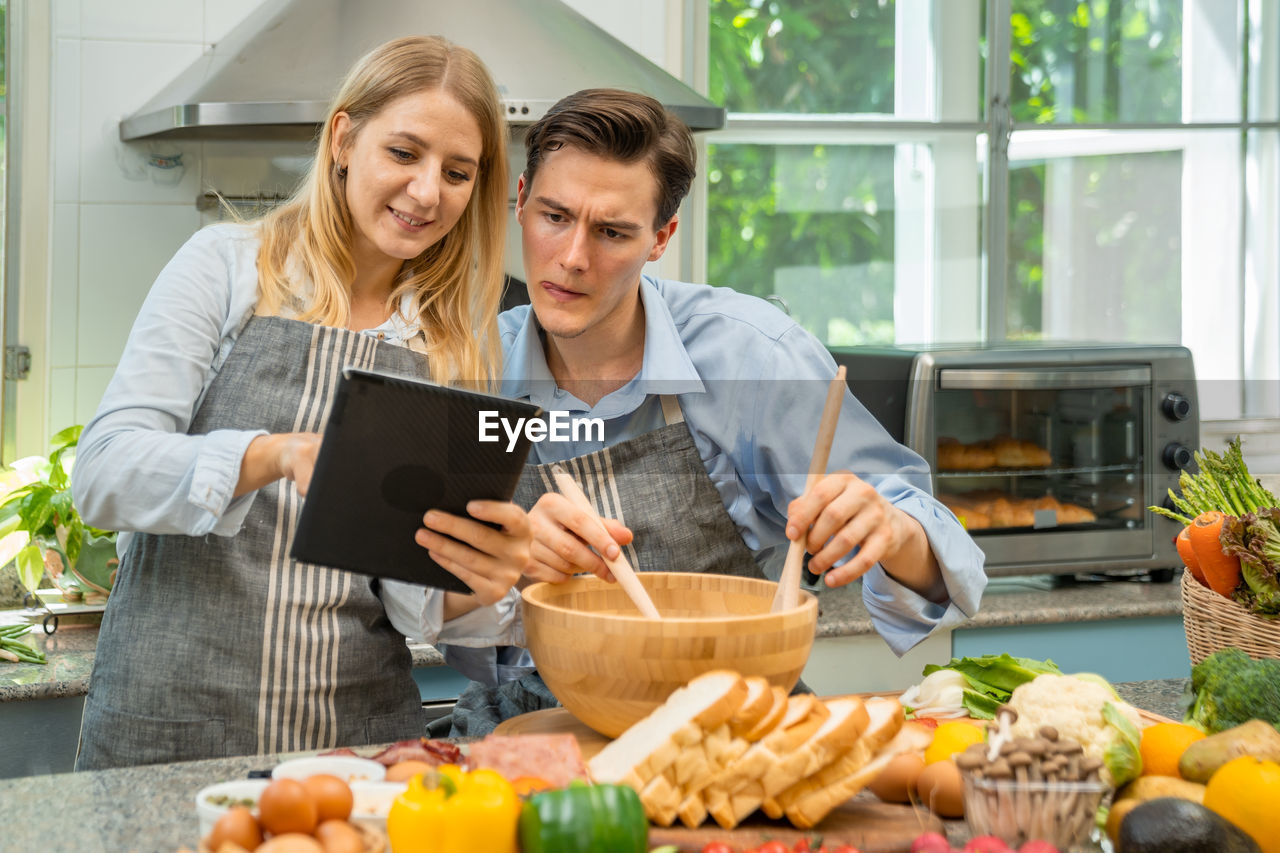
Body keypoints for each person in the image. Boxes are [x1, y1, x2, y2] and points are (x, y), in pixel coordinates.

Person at [437, 88, 987, 736]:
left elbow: (950, 562)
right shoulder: (465, 365)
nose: (574, 257)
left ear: (661, 238)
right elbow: (433, 606)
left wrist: (892, 530)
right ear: (522, 200)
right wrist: (510, 567)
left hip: (735, 720)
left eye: (612, 231)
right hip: (532, 725)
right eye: (554, 216)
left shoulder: (751, 355)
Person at [70, 36, 531, 769]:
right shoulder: (224, 266)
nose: (426, 192)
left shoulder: (453, 342)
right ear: (345, 138)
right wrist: (271, 453)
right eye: (404, 153)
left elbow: (411, 598)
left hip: (354, 740)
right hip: (167, 734)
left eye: (457, 172)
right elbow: (102, 474)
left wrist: (487, 574)